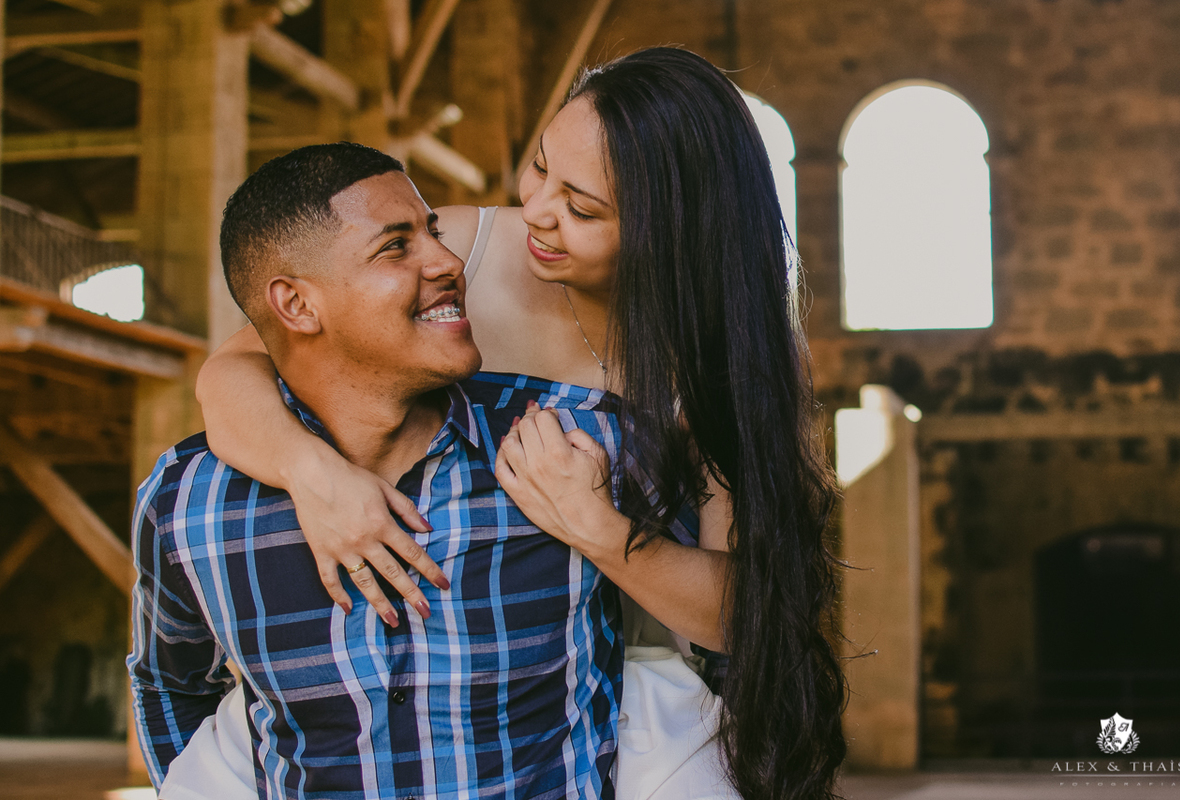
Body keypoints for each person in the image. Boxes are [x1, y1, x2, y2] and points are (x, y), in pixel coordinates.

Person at [197, 48, 846, 800]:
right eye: (542, 169)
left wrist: (596, 527)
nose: (538, 211)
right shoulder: (463, 251)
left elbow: (747, 612)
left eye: (583, 209)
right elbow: (230, 373)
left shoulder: (732, 353)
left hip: (624, 708)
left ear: (674, 228)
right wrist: (315, 476)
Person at [129, 142, 643, 799]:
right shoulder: (187, 505)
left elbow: (739, 630)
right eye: (395, 246)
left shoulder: (580, 447)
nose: (451, 262)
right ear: (297, 306)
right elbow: (169, 683)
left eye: (433, 231)